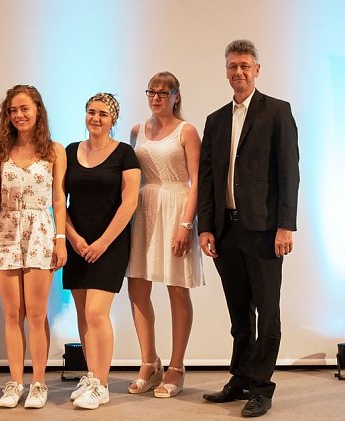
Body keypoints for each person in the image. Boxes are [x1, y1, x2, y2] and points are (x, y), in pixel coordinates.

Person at [197, 39, 299, 418]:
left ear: (257, 70)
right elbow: (207, 179)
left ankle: (262, 387)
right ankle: (239, 378)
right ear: (225, 71)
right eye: (232, 66)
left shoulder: (277, 112)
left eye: (244, 65)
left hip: (263, 230)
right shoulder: (215, 120)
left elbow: (289, 174)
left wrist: (285, 225)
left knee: (267, 313)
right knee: (239, 314)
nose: (238, 72)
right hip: (226, 231)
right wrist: (205, 227)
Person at [0, 85, 67, 409]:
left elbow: (59, 199)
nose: (18, 115)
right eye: (13, 110)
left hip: (40, 230)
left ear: (37, 111)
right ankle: (14, 382)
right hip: (5, 230)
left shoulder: (54, 150)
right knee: (11, 313)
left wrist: (60, 239)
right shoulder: (0, 151)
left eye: (24, 109)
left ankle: (39, 383)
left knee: (35, 313)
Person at [126, 71, 203, 398]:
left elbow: (198, 181)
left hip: (176, 209)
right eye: (152, 92)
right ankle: (149, 362)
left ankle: (176, 367)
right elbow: (131, 175)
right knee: (138, 287)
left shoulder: (187, 131)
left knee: (176, 290)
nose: (156, 97)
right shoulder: (136, 130)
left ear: (176, 96)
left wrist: (186, 224)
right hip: (143, 210)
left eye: (163, 92)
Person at [63, 92, 141, 409]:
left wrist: (102, 242)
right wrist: (72, 238)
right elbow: (59, 201)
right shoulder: (69, 152)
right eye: (91, 112)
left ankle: (102, 385)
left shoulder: (124, 154)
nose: (96, 118)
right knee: (83, 314)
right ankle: (92, 375)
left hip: (110, 243)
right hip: (77, 243)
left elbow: (130, 202)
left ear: (113, 120)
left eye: (103, 114)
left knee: (97, 312)